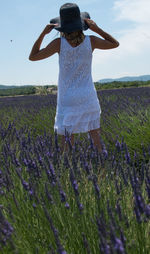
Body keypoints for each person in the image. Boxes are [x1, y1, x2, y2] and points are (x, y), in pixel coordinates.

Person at [29, 3, 119, 154]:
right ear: (82, 23)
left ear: (63, 26)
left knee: (67, 148)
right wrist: (97, 29)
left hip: (68, 98)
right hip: (88, 96)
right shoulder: (92, 41)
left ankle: (67, 174)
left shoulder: (58, 43)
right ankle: (102, 170)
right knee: (97, 143)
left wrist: (43, 34)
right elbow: (114, 44)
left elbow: (33, 57)